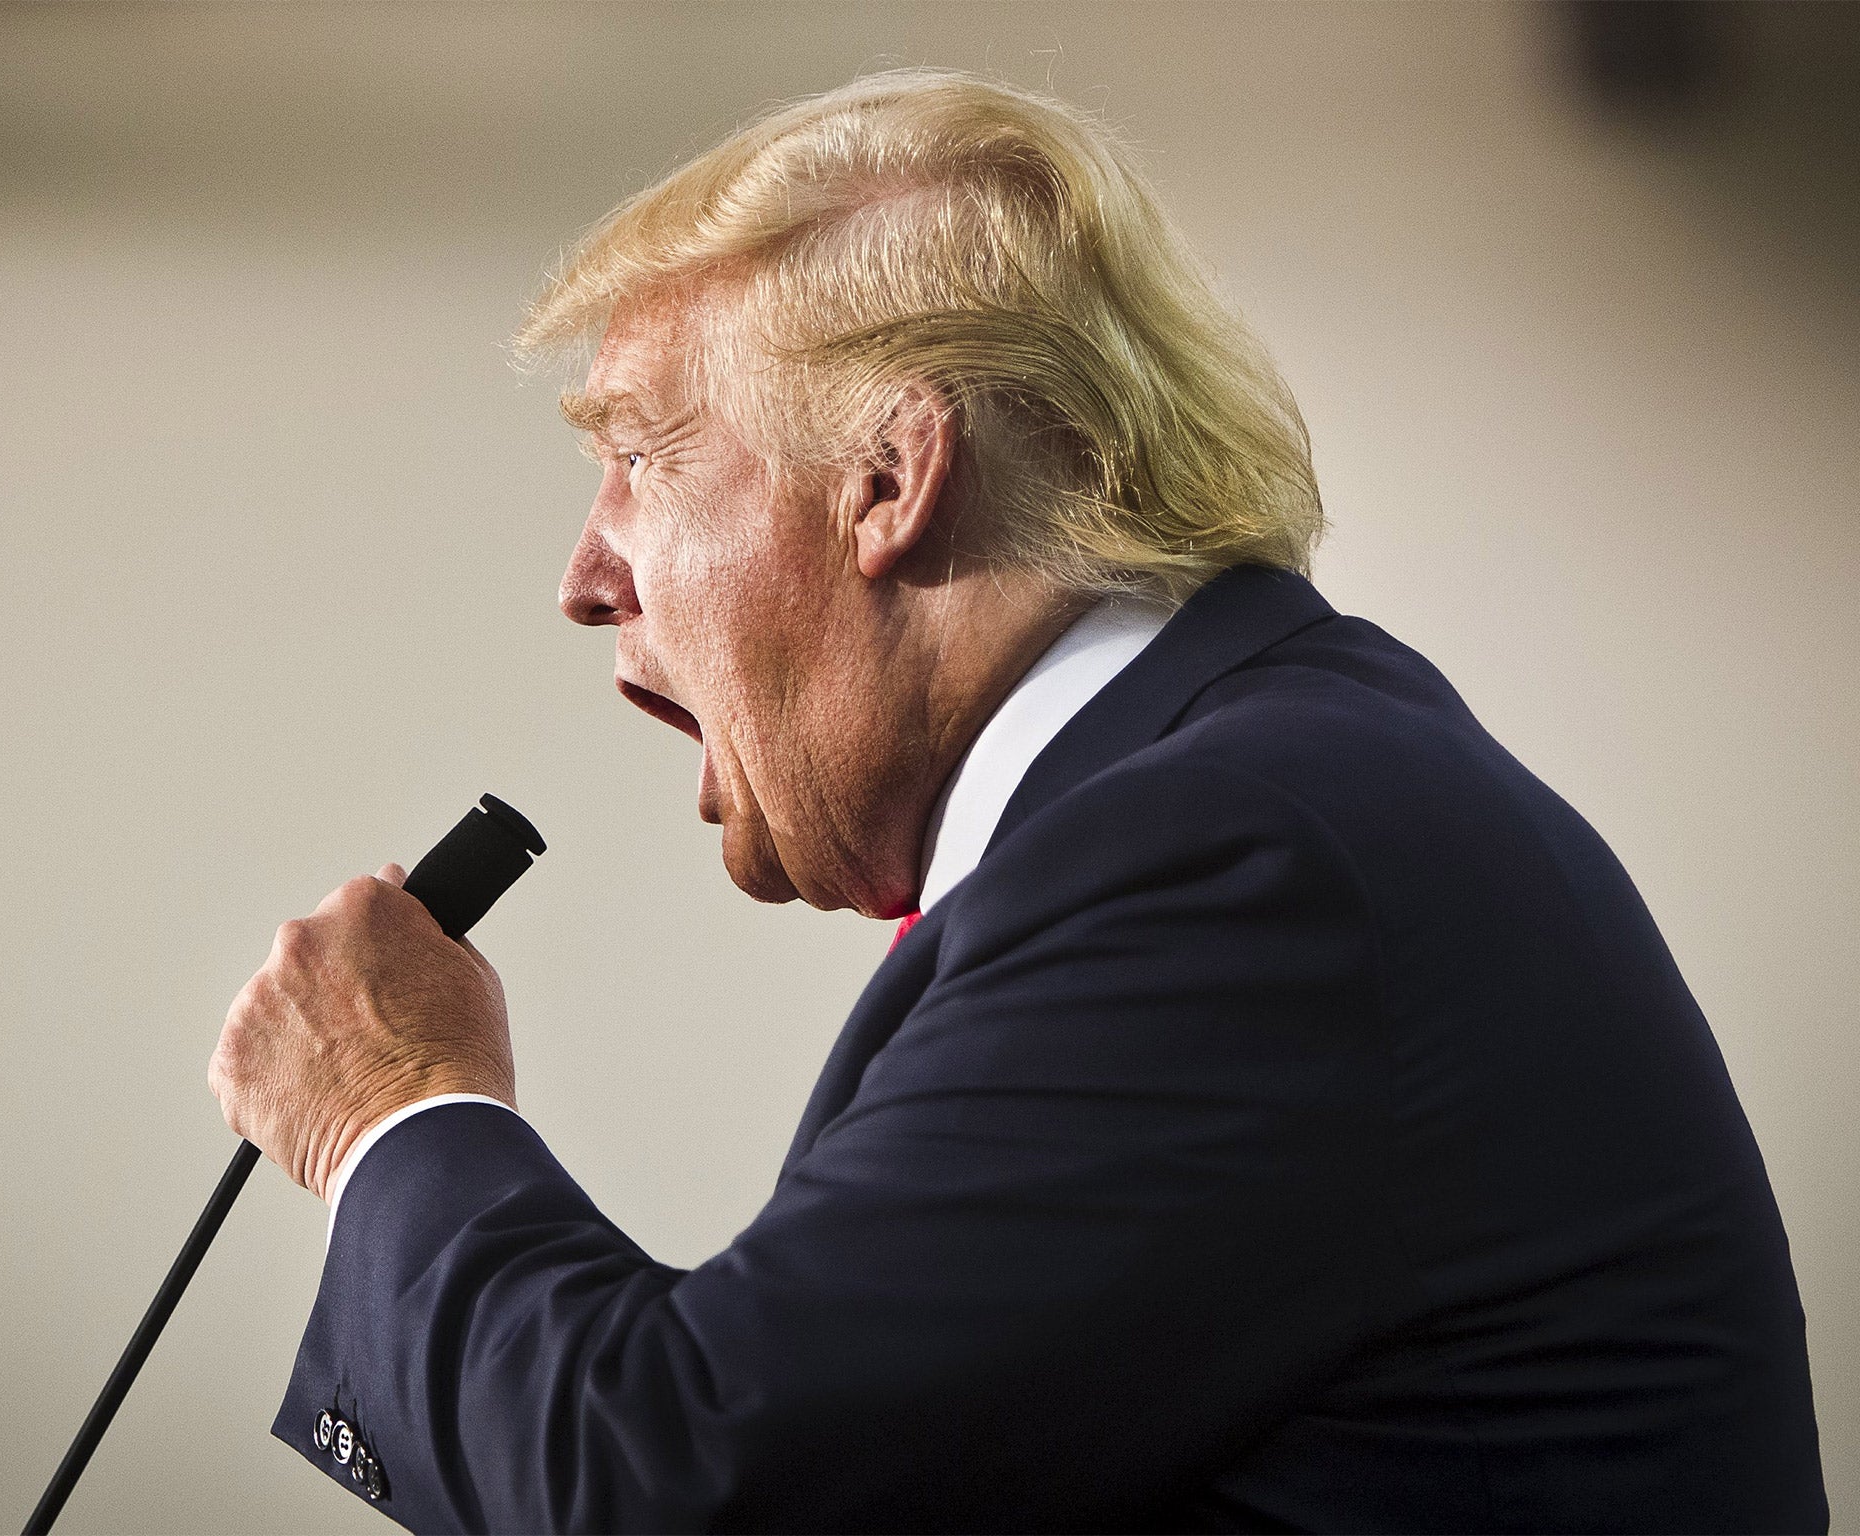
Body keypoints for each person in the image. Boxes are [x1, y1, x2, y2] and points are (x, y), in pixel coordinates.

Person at [207, 70, 1827, 1533]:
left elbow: (679, 1488)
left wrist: (388, 1108)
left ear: (891, 483)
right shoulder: (1267, 795)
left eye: (639, 456)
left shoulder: (1233, 862)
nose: (584, 575)